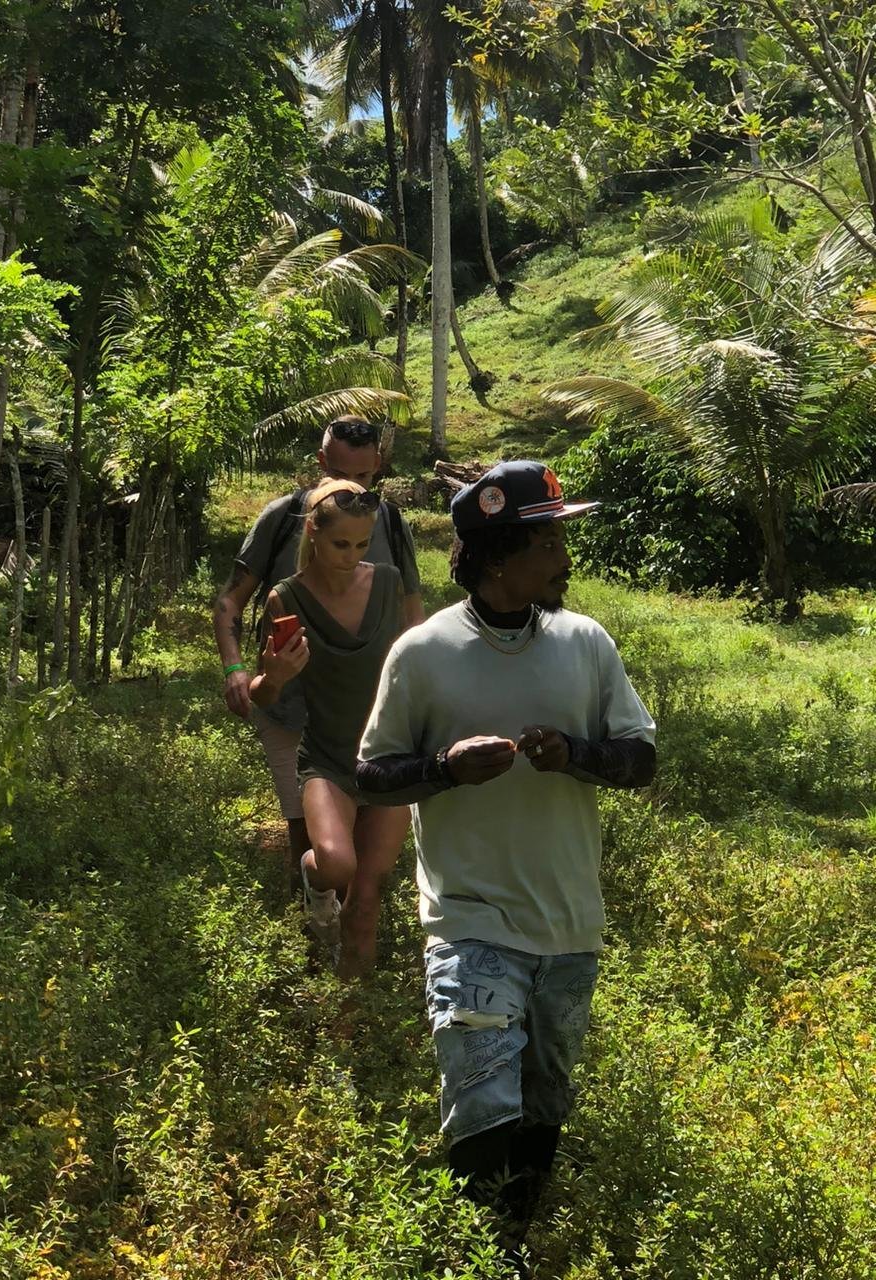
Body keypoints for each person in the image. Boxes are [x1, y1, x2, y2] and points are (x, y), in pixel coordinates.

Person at [355, 460, 656, 1254]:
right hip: (469, 919)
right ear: (499, 554)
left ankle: (511, 1239)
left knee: (543, 1101)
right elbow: (372, 776)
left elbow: (641, 759)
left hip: (569, 925)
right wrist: (444, 770)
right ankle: (485, 1257)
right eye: (550, 539)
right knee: (483, 1099)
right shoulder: (422, 653)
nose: (565, 557)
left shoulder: (587, 642)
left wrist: (574, 754)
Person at [213, 417, 424, 884]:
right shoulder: (281, 518)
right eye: (341, 474)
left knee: (366, 858)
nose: (352, 486)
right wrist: (236, 669)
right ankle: (308, 932)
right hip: (292, 708)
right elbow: (231, 599)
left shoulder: (387, 519)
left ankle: (349, 932)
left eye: (366, 477)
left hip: (367, 712)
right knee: (306, 836)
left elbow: (414, 614)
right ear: (320, 463)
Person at [250, 477, 411, 977]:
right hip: (327, 759)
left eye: (362, 544)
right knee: (338, 867)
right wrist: (271, 677)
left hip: (390, 756)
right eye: (341, 543)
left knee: (366, 898)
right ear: (314, 534)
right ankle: (314, 882)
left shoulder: (386, 582)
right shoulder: (286, 598)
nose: (352, 554)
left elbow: (416, 660)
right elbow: (262, 695)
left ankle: (349, 1009)